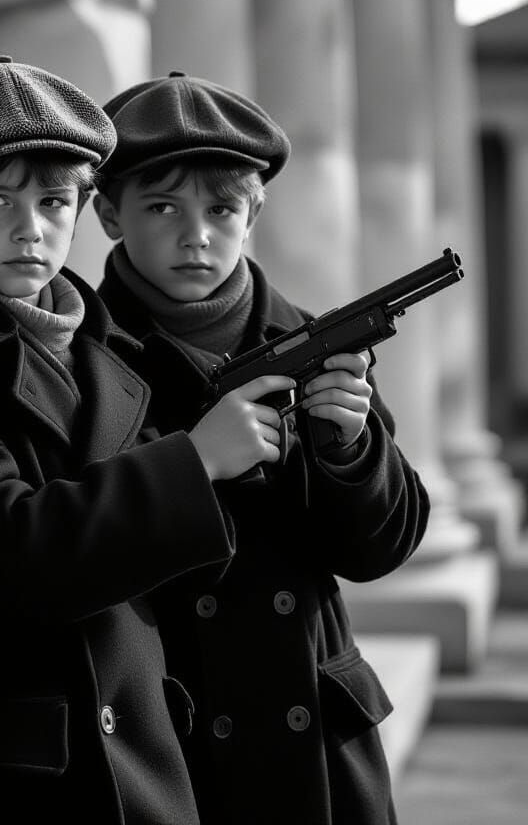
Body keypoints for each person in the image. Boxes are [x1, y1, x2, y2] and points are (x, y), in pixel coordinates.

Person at [0, 55, 295, 825]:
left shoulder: (108, 348)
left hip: (146, 757)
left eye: (55, 201)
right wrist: (195, 462)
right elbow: (15, 554)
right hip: (28, 772)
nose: (31, 229)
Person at [92, 70, 430, 825]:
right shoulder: (79, 356)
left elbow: (383, 547)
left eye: (222, 208)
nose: (196, 234)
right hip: (167, 741)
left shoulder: (311, 339)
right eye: (162, 207)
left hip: (311, 742)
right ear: (110, 214)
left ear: (254, 212)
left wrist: (349, 449)